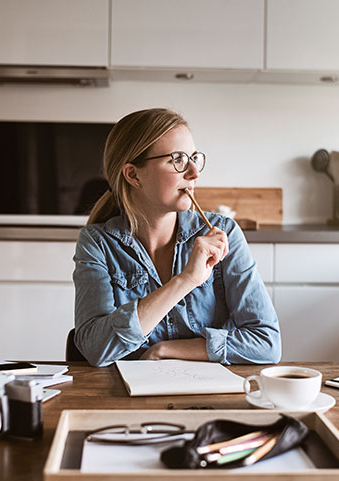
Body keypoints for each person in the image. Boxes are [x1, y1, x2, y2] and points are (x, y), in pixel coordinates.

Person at [72, 108, 281, 367]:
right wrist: (186, 280)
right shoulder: (98, 243)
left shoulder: (223, 232)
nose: (194, 172)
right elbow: (95, 349)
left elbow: (266, 343)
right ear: (134, 175)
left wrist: (167, 350)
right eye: (177, 159)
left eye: (194, 157)